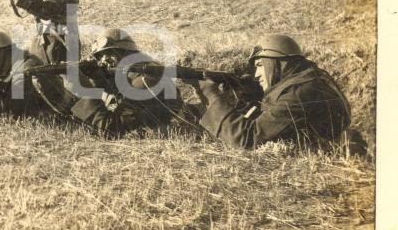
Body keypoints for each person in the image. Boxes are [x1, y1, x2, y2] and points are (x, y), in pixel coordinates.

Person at [196, 35, 351, 150]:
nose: (256, 74)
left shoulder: (298, 93)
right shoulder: (308, 80)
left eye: (260, 65)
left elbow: (247, 140)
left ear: (276, 64)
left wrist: (211, 94)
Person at [64, 29, 185, 136]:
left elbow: (110, 129)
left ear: (127, 53)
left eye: (110, 53)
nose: (103, 60)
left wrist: (85, 92)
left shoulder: (143, 81)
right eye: (100, 56)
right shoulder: (135, 72)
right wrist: (97, 81)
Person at [0, 29, 63, 119]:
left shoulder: (27, 69)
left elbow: (11, 112)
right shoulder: (7, 70)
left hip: (58, 119)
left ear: (3, 52)